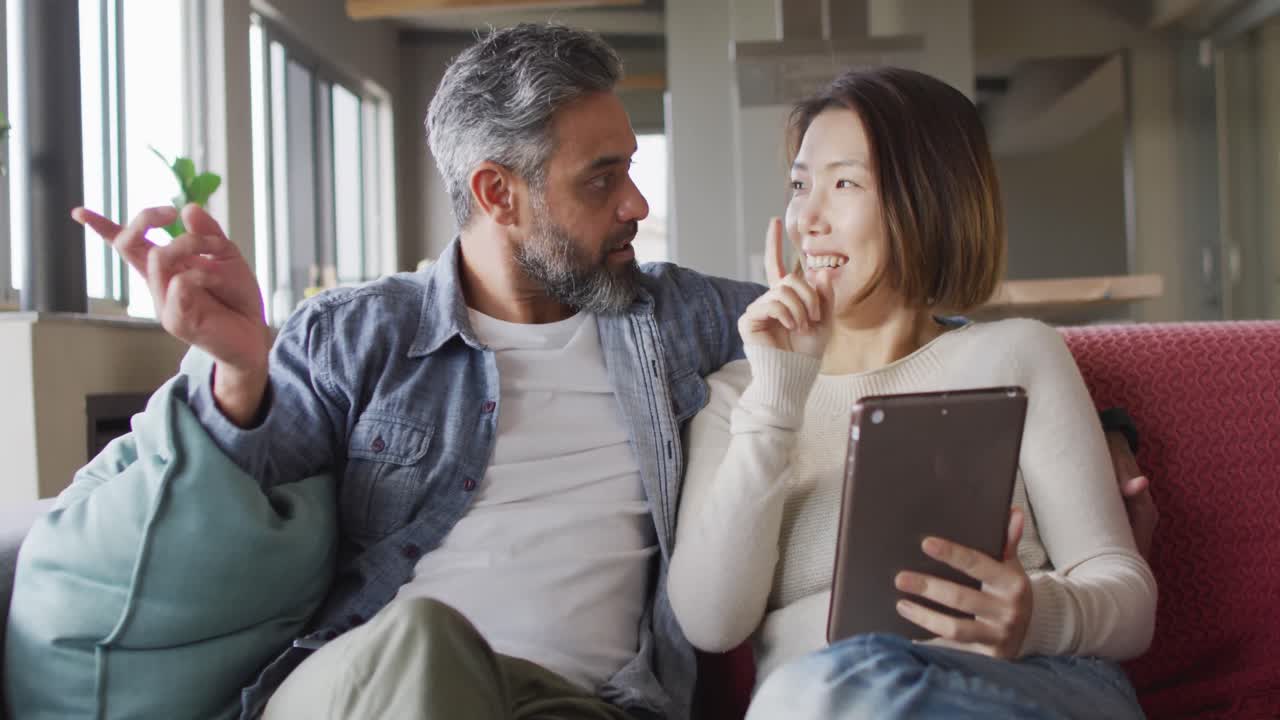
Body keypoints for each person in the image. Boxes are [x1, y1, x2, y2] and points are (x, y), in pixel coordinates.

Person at [72, 24, 1154, 720]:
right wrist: (238, 378)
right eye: (604, 180)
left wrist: (1096, 429)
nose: (638, 204)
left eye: (631, 169)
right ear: (499, 195)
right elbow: (259, 478)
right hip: (386, 684)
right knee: (417, 649)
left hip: (589, 705)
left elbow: (893, 328)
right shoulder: (359, 334)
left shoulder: (681, 318)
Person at [667, 66, 1157, 720]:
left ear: (926, 201)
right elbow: (710, 620)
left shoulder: (1015, 353)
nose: (805, 218)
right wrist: (778, 398)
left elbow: (1128, 598)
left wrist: (1035, 615)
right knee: (826, 688)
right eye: (799, 185)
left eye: (844, 184)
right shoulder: (738, 396)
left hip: (1020, 685)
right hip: (820, 699)